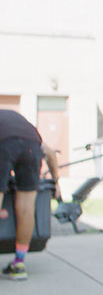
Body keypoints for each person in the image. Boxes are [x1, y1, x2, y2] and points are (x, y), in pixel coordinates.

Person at [1, 109, 61, 280]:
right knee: (27, 209)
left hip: (2, 145)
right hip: (31, 148)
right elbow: (49, 153)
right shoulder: (26, 128)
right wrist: (56, 181)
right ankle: (19, 264)